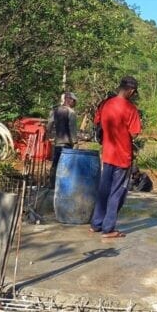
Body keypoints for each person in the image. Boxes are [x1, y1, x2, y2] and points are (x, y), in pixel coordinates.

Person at [90, 76, 142, 239]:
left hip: (107, 154)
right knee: (117, 192)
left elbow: (97, 121)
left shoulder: (106, 104)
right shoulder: (130, 109)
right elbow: (134, 132)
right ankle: (108, 228)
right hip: (122, 157)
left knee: (104, 190)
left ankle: (96, 224)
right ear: (131, 91)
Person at [48, 92, 78, 186]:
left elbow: (49, 125)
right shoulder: (71, 112)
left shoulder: (55, 111)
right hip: (67, 143)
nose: (74, 103)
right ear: (68, 100)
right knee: (66, 165)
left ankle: (52, 184)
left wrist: (49, 135)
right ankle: (62, 185)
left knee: (55, 163)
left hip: (58, 142)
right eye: (74, 101)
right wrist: (75, 142)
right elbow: (72, 128)